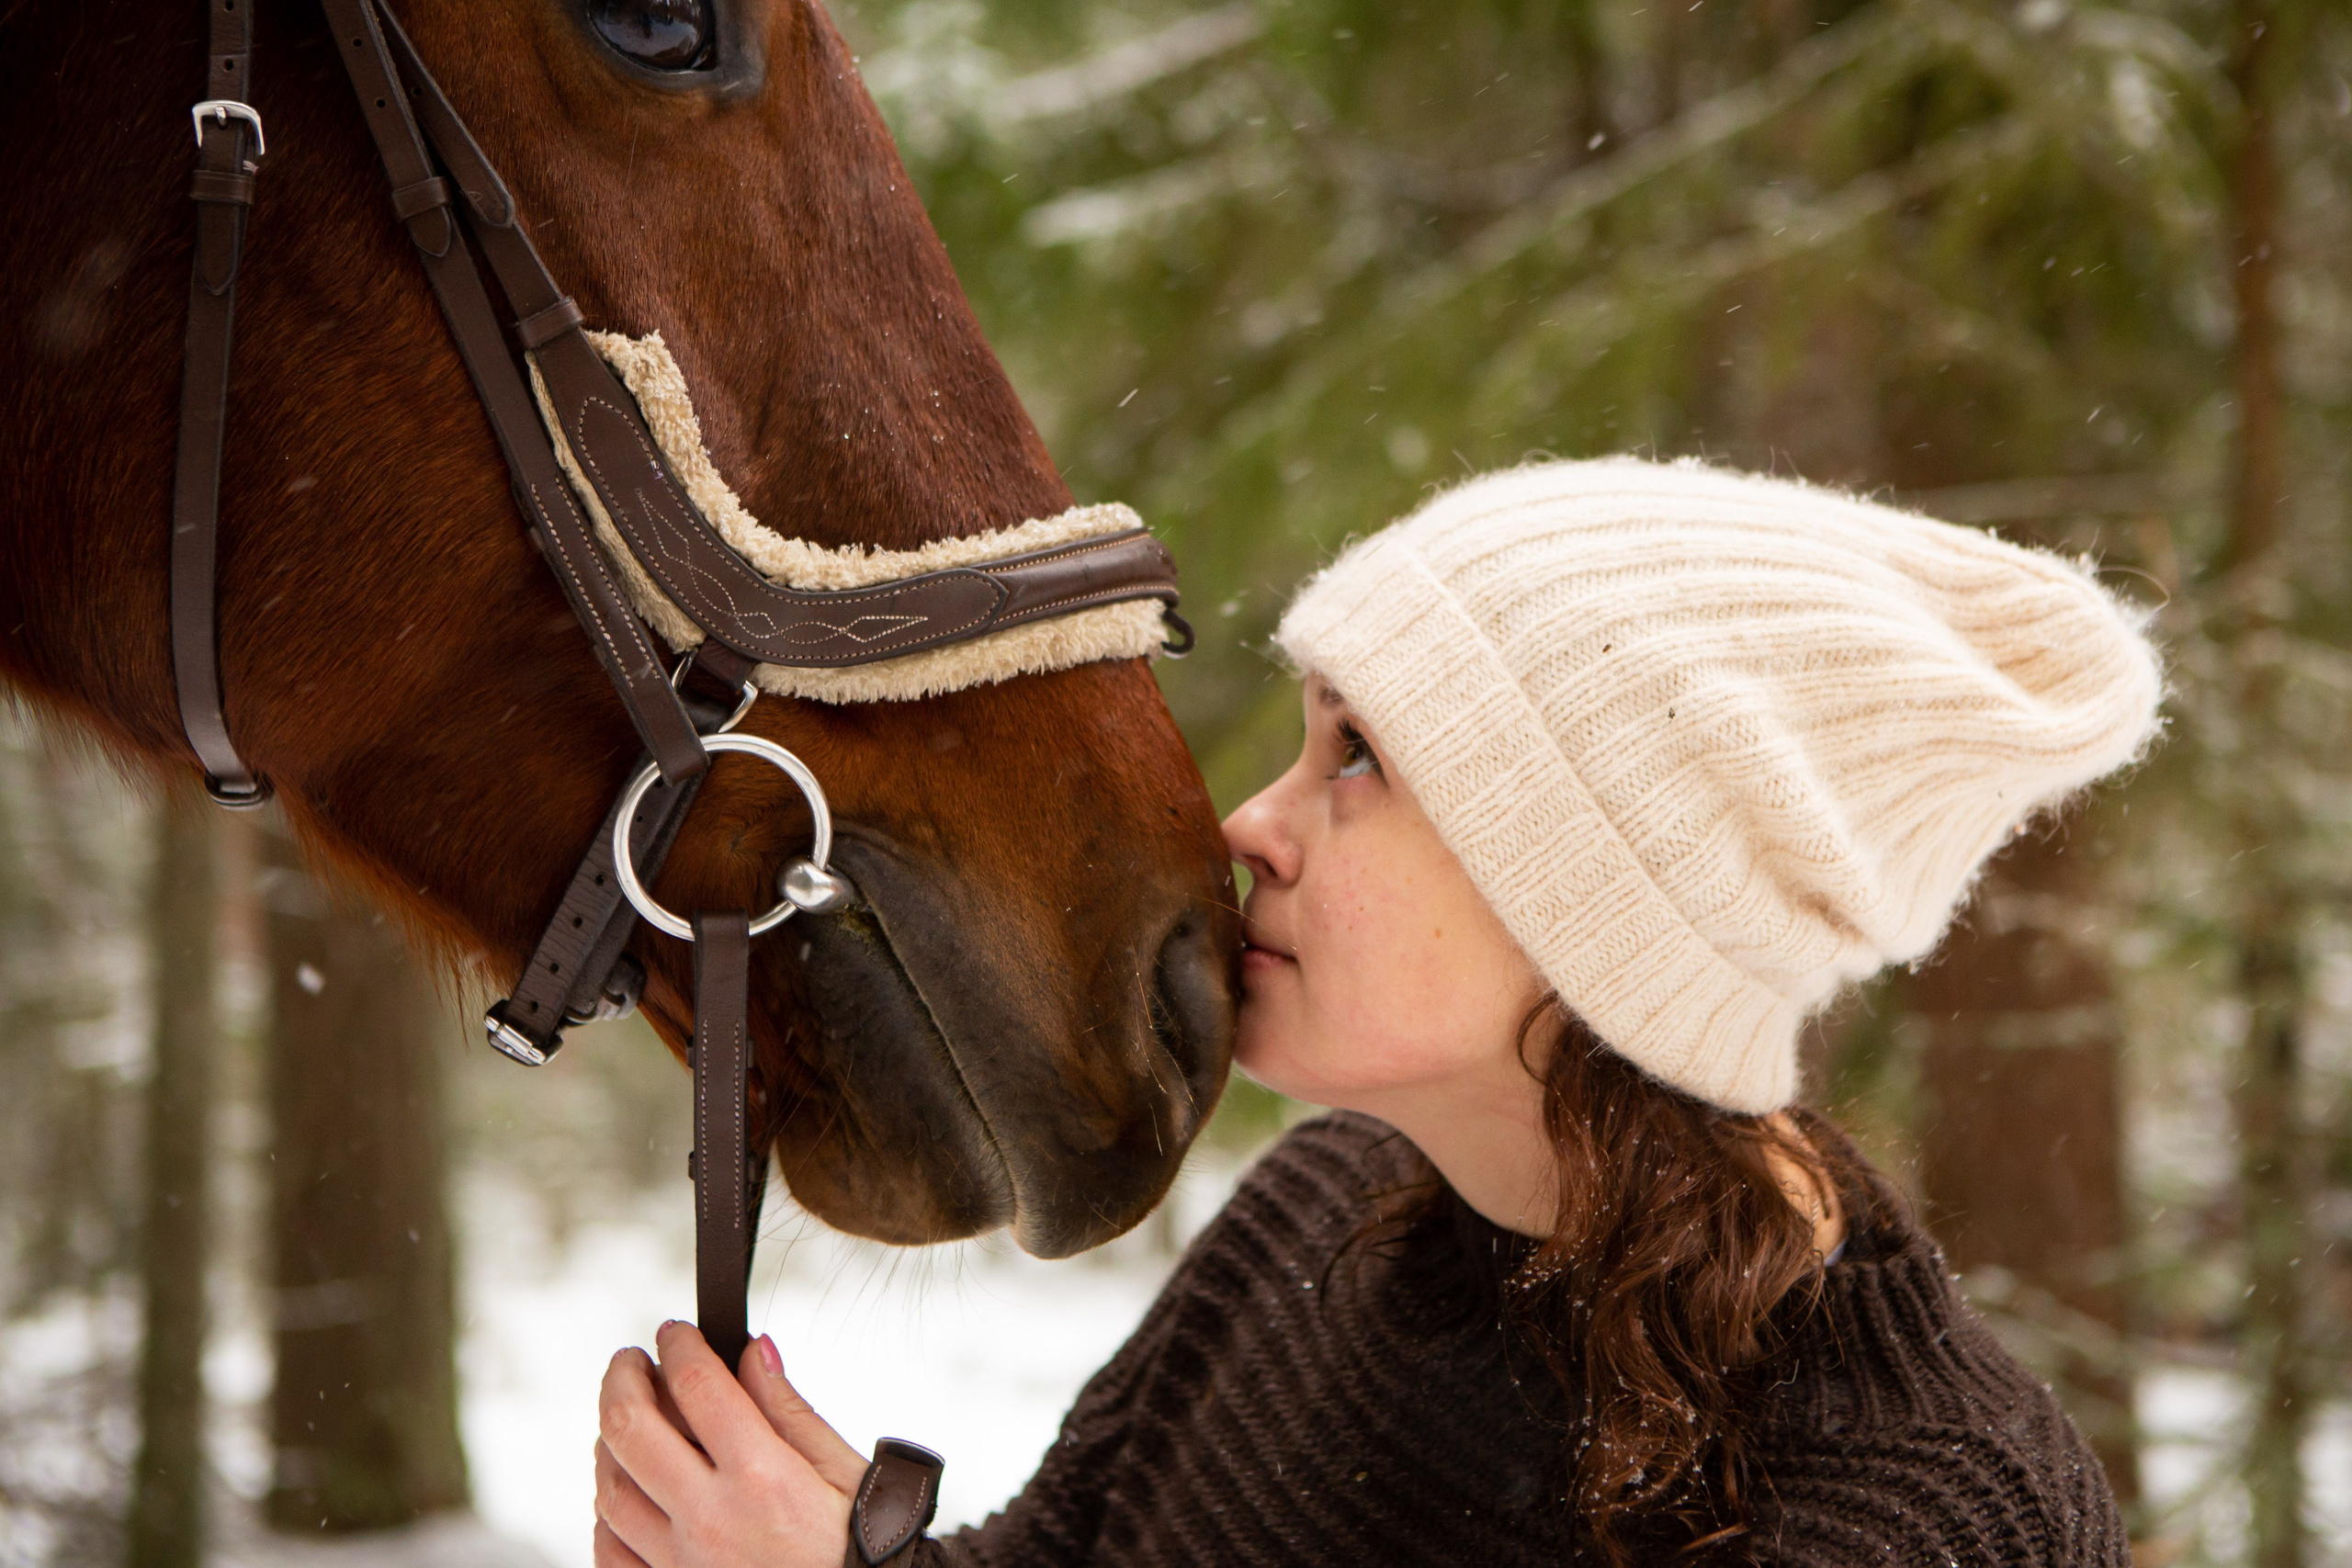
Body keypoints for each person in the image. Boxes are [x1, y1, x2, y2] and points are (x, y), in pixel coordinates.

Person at [589, 457, 2162, 1567]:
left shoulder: (1927, 1522)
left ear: (1601, 901)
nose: (1250, 826)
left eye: (1359, 763)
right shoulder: (1323, 1218)